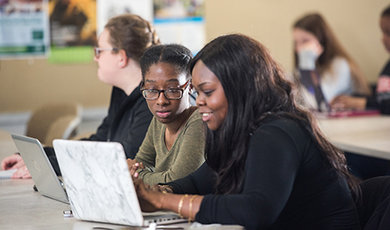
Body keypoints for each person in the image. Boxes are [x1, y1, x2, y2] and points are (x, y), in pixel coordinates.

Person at [133, 34, 360, 229]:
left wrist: (162, 202)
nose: (199, 101)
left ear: (239, 89)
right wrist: (156, 191)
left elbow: (255, 210)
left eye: (208, 91)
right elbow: (197, 182)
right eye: (197, 92)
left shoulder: (277, 132)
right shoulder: (234, 131)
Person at [1, 14, 158, 178]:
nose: (95, 58)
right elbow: (99, 143)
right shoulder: (121, 92)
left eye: (99, 51)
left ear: (121, 57)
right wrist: (39, 156)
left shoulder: (152, 102)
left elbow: (123, 157)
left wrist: (48, 165)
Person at [127, 44, 205, 186]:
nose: (161, 101)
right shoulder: (159, 120)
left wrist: (138, 175)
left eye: (172, 89)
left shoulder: (200, 121)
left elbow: (176, 181)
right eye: (151, 90)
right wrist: (139, 171)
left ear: (191, 86)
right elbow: (141, 163)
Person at [292, 13, 371, 111]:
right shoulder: (303, 69)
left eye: (305, 41)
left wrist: (307, 64)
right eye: (296, 42)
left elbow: (316, 104)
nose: (299, 48)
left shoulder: (340, 65)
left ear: (321, 41)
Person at [330, 5, 390, 114]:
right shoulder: (388, 65)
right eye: (382, 32)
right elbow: (381, 94)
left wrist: (361, 103)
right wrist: (351, 98)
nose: (383, 39)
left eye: (388, 33)